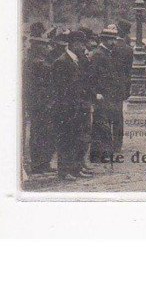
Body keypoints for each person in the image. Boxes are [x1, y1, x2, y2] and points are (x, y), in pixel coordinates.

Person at [50, 30, 94, 181]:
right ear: (74, 43)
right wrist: (70, 107)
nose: (83, 47)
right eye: (81, 44)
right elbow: (61, 89)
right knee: (66, 139)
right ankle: (64, 171)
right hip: (66, 109)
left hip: (77, 107)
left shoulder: (77, 59)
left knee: (77, 139)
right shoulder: (62, 61)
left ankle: (75, 169)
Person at [88, 25, 123, 163]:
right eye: (111, 40)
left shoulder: (106, 53)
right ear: (105, 40)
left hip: (108, 94)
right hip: (102, 95)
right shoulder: (98, 54)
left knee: (104, 123)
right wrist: (96, 92)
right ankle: (98, 154)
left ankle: (103, 153)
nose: (114, 42)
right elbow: (93, 76)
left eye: (114, 39)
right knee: (100, 124)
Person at [24, 21, 55, 174]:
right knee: (40, 133)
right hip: (40, 104)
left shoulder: (35, 61)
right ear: (38, 47)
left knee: (42, 132)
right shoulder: (37, 63)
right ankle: (39, 164)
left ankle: (42, 163)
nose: (47, 48)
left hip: (41, 103)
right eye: (44, 45)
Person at [112, 19, 135, 146]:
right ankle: (117, 142)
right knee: (118, 114)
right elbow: (128, 71)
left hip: (108, 85)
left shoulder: (111, 47)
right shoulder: (128, 49)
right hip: (120, 86)